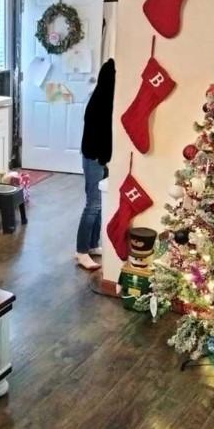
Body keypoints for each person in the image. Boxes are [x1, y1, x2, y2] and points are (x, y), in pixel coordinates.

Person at [75, 58, 116, 270]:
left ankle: (92, 244)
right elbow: (96, 135)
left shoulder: (105, 99)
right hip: (94, 157)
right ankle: (81, 250)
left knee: (100, 203)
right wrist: (102, 157)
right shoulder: (101, 102)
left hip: (101, 156)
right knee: (93, 204)